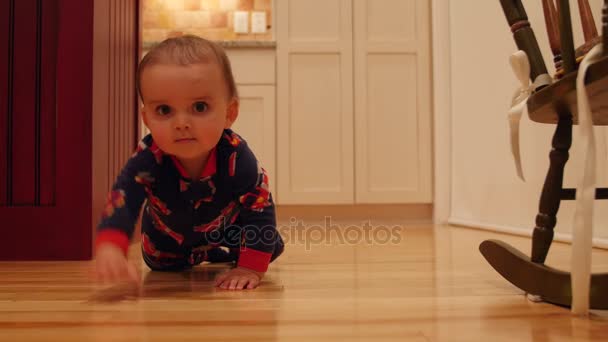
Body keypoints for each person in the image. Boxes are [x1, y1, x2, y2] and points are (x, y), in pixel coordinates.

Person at [94, 35, 283, 290]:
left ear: (229, 114)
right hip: (166, 239)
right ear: (147, 118)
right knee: (161, 263)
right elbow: (124, 197)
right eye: (164, 110)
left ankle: (219, 251)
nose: (181, 123)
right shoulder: (150, 158)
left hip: (224, 228)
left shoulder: (236, 157)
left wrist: (250, 268)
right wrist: (111, 245)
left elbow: (258, 206)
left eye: (200, 107)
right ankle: (205, 253)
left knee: (268, 245)